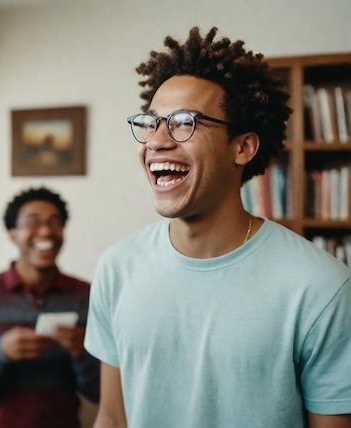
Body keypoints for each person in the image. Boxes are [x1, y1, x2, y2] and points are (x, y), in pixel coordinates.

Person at [85, 27, 351, 428]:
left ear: (242, 147)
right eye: (152, 123)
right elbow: (111, 417)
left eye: (184, 123)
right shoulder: (116, 268)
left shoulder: (319, 286)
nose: (157, 141)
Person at [0, 186, 100, 428]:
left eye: (55, 222)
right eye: (33, 222)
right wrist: (0, 354)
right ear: (13, 234)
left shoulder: (85, 295)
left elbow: (99, 392)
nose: (46, 231)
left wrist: (82, 352)